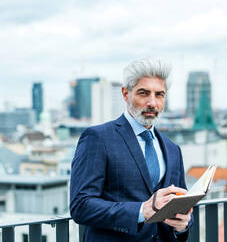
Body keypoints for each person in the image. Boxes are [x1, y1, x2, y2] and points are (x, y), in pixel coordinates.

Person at [70, 58, 193, 242]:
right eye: (144, 93)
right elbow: (81, 206)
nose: (152, 102)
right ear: (125, 93)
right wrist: (141, 211)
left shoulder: (173, 149)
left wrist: (183, 226)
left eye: (159, 94)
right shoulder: (98, 138)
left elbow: (181, 206)